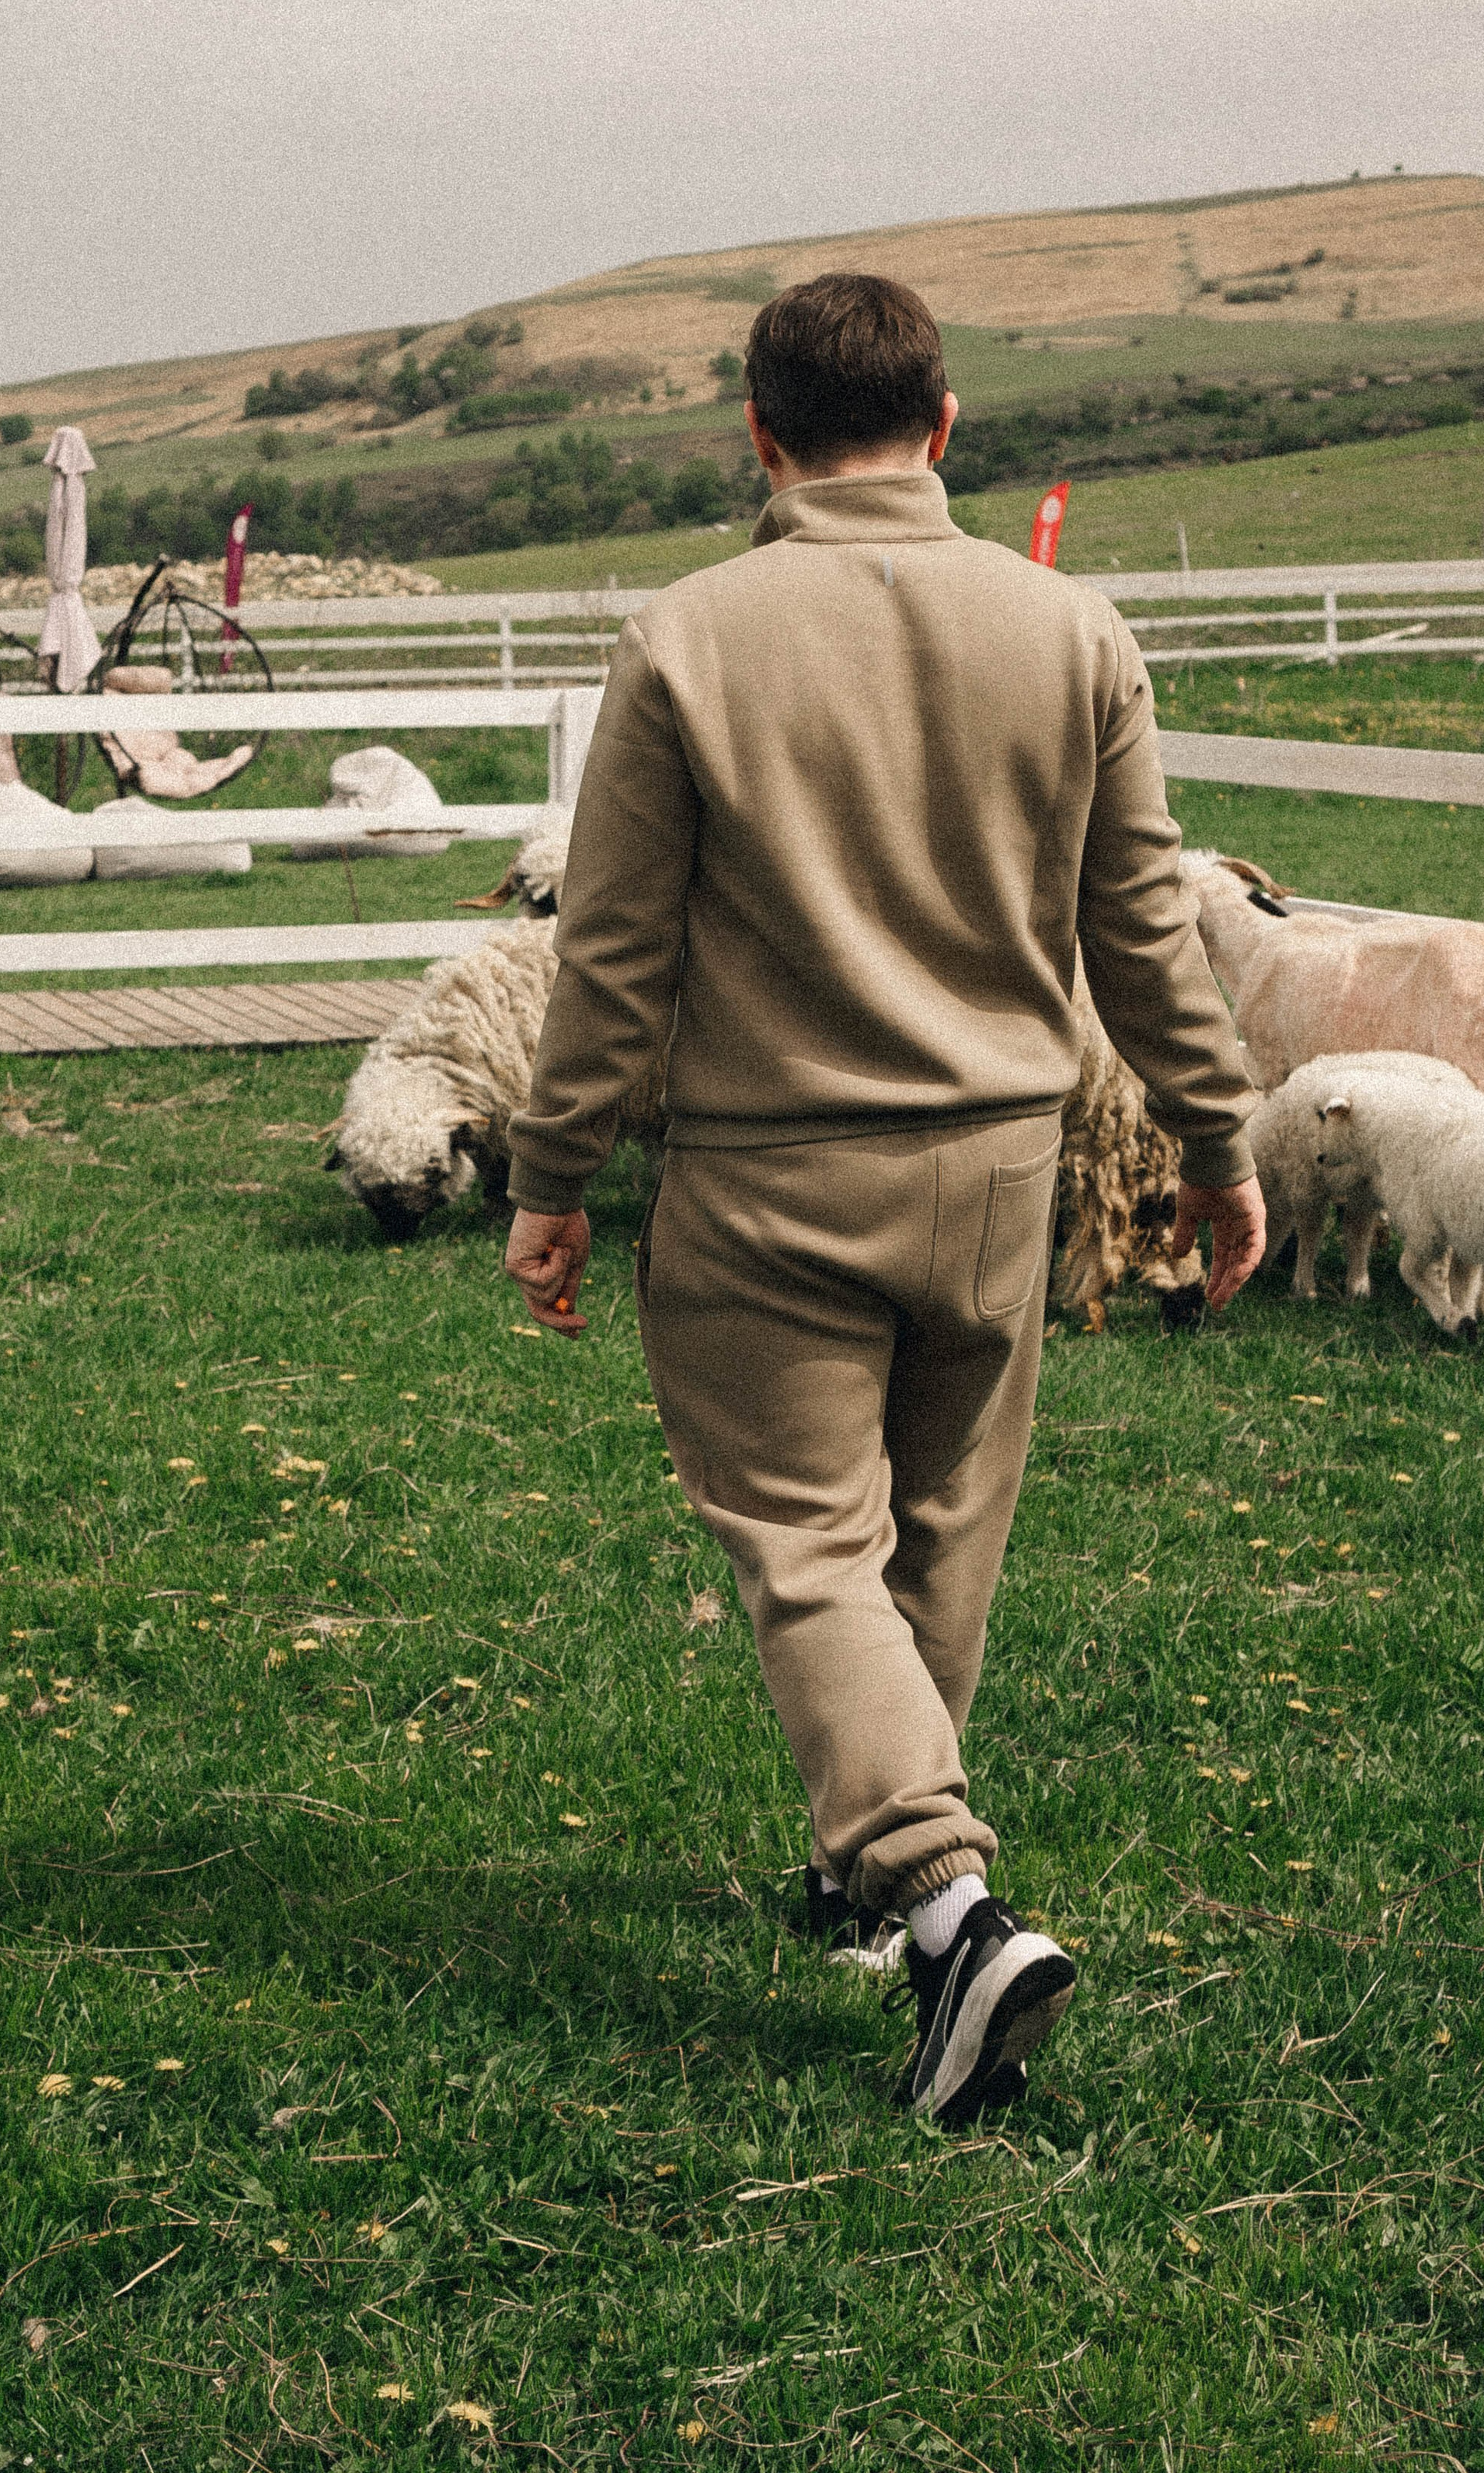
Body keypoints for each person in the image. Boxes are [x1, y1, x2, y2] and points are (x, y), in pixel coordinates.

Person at [503, 273, 1264, 2129]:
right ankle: (869, 1890)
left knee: (801, 1552)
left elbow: (608, 953)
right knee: (935, 1533)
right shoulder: (1069, 630)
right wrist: (1215, 1138)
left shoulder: (683, 637)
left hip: (767, 1174)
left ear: (756, 439)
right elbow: (1143, 929)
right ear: (943, 424)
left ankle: (938, 1901)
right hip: (1001, 1169)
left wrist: (551, 1177)